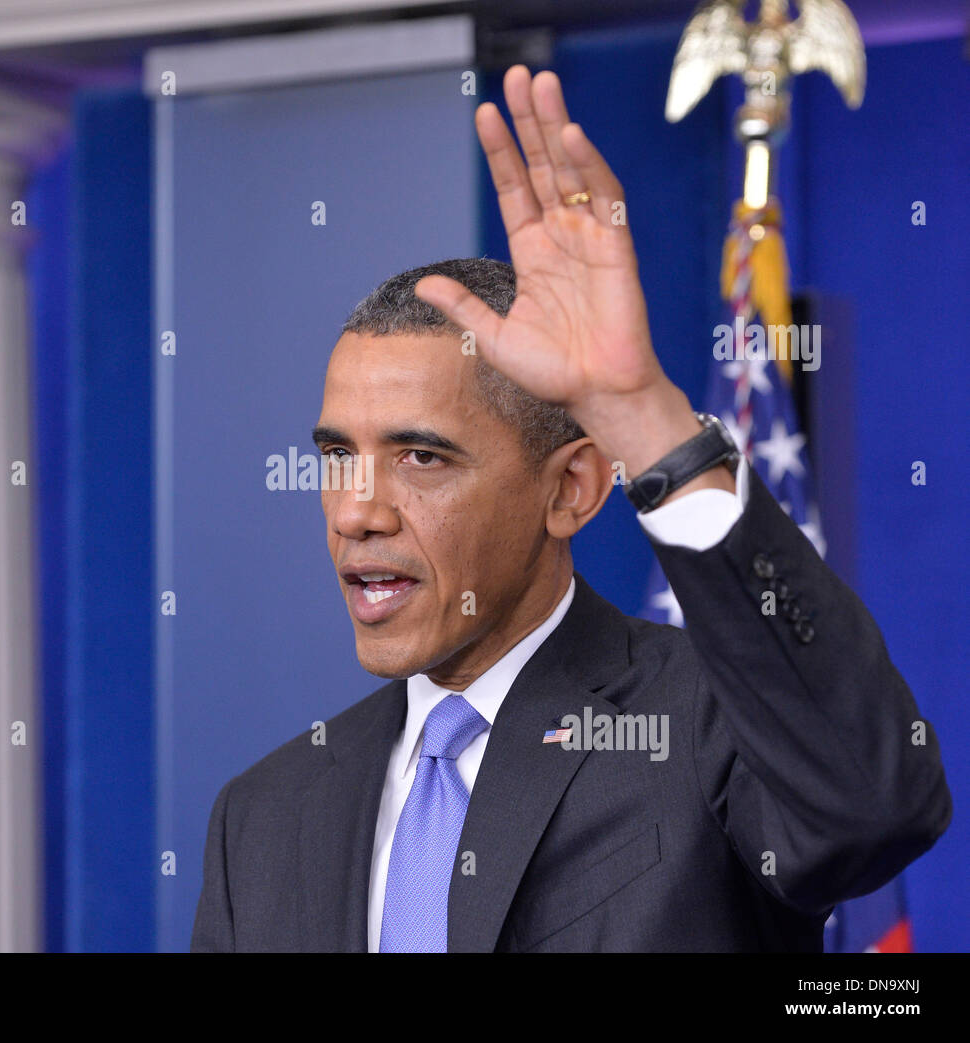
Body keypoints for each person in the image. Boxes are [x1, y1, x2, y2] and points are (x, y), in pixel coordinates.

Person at [190, 66, 951, 952]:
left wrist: (639, 411)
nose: (358, 510)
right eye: (337, 457)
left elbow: (876, 803)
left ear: (571, 490)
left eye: (421, 458)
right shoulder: (263, 817)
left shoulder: (703, 728)